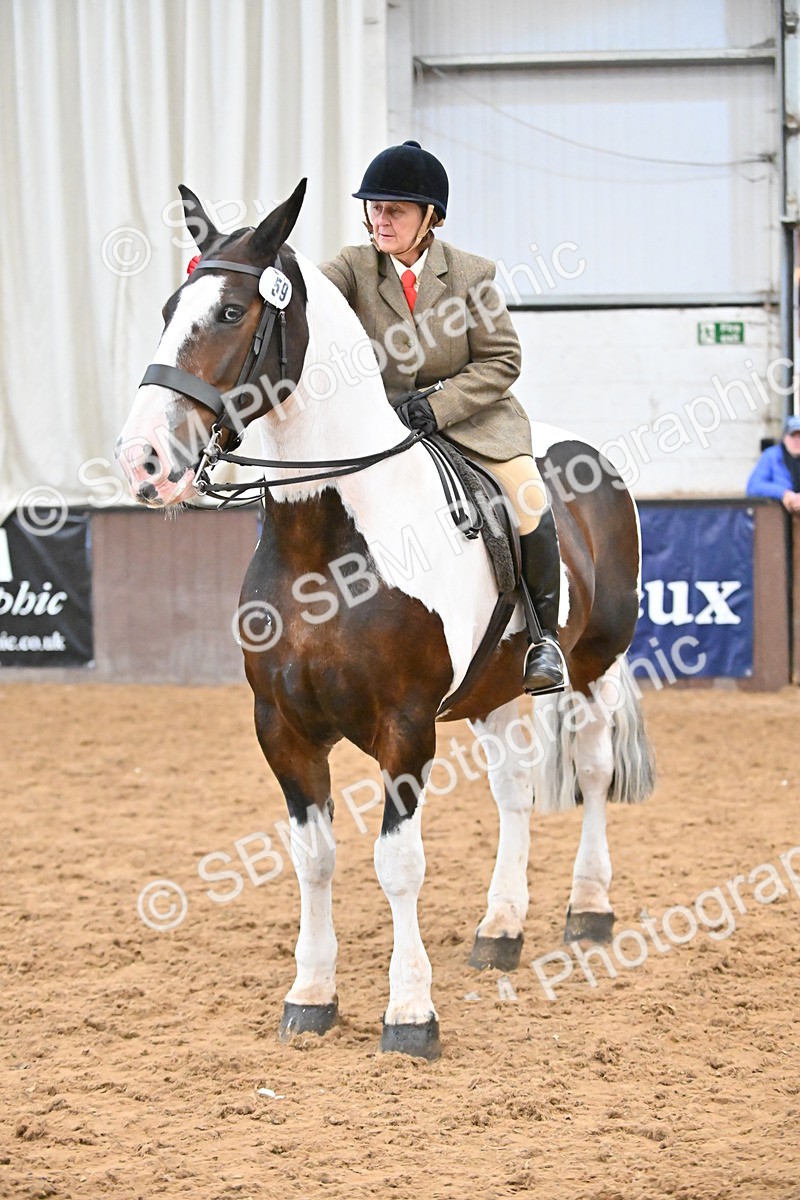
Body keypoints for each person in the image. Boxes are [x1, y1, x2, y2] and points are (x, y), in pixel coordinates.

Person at [320, 140, 566, 694]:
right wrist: (249, 276)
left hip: (471, 421)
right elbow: (311, 296)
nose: (380, 220)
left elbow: (503, 361)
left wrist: (434, 406)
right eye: (374, 208)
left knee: (527, 496)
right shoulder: (354, 267)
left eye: (395, 210)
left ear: (429, 217)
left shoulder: (471, 275)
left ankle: (544, 639)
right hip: (384, 429)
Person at [746, 414, 800, 513]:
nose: (797, 441)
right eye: (793, 436)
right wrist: (784, 493)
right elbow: (753, 486)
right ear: (785, 438)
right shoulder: (771, 456)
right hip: (778, 517)